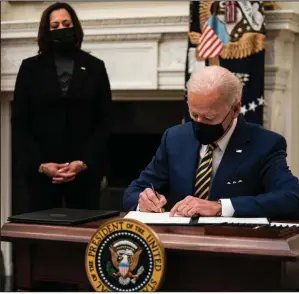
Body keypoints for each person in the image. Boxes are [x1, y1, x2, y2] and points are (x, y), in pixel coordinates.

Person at [123, 66, 299, 219]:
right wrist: (144, 201)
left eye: (209, 117)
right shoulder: (175, 138)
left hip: (235, 246)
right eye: (194, 115)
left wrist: (220, 207)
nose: (199, 123)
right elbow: (133, 191)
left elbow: (292, 198)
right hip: (177, 241)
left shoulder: (265, 143)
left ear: (235, 109)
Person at [11, 2, 112, 213]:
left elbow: (104, 121)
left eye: (66, 23)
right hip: (40, 179)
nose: (61, 29)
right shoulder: (30, 68)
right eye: (54, 26)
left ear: (75, 26)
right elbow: (20, 122)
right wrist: (41, 165)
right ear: (46, 31)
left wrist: (83, 162)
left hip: (84, 177)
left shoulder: (95, 66)